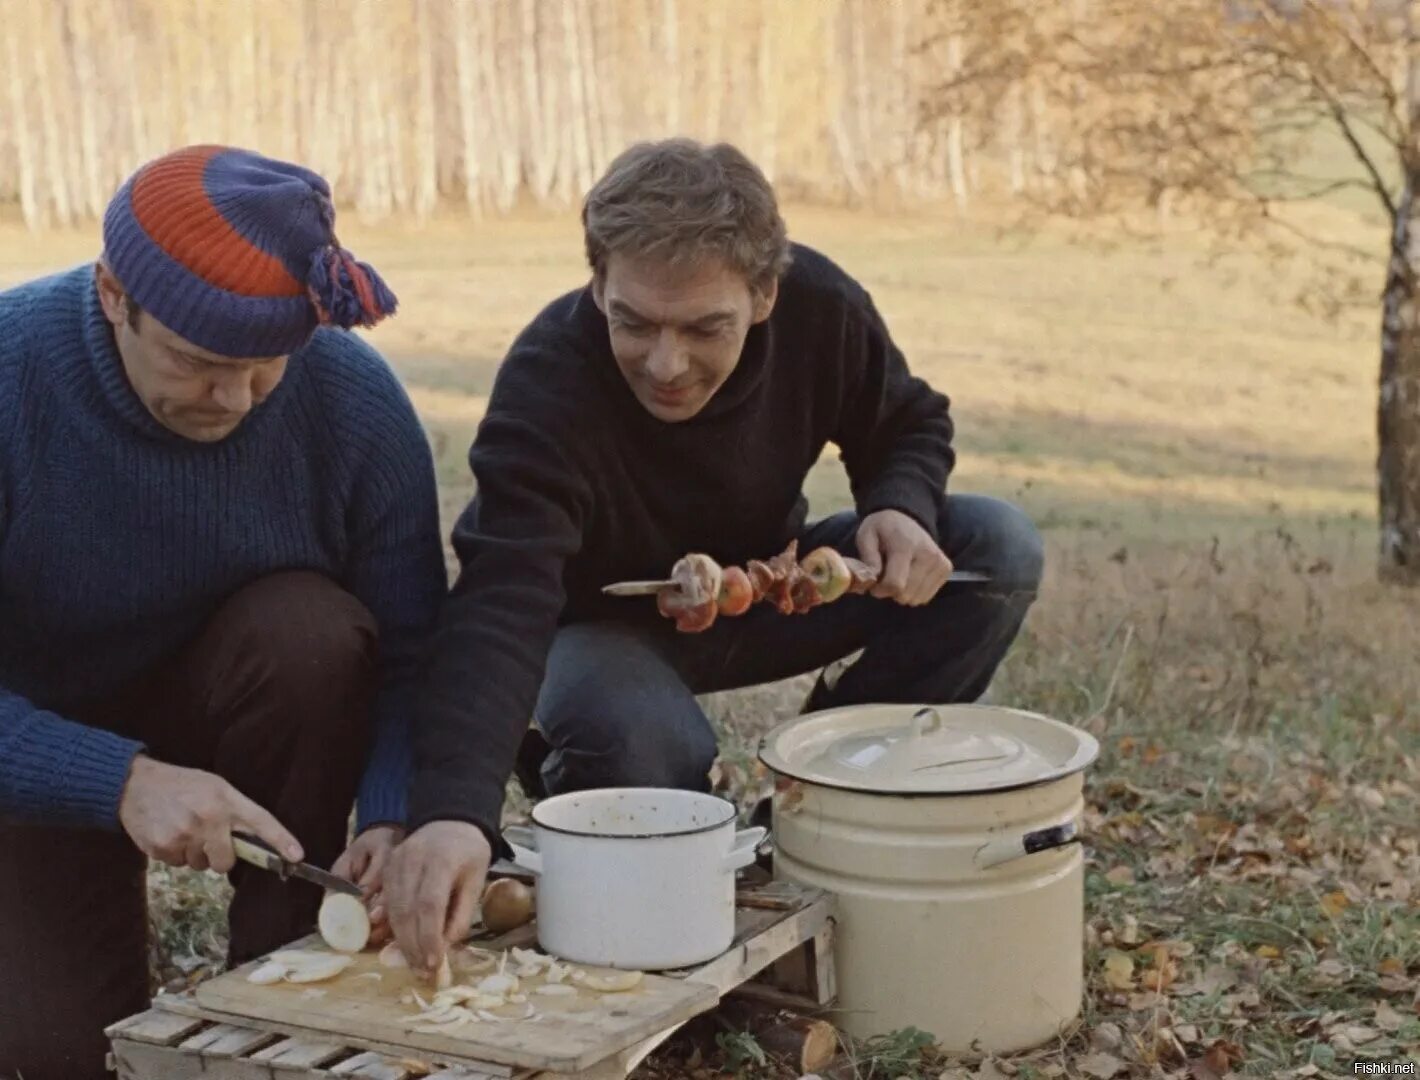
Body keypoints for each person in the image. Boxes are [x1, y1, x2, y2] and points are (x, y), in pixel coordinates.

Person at [384, 137, 1044, 976]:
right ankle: (662, 847)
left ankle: (822, 808)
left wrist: (898, 508)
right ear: (598, 284)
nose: (666, 365)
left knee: (997, 548)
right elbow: (501, 601)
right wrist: (453, 813)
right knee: (637, 746)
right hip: (603, 638)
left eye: (706, 328)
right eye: (632, 322)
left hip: (770, 592)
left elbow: (906, 421)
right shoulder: (548, 384)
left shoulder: (822, 311)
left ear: (766, 293)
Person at [0, 145, 447, 1080]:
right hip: (34, 749)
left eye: (267, 367)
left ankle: (282, 968)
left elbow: (414, 650)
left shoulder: (353, 401)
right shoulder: (12, 378)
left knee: (313, 633)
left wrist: (397, 810)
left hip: (244, 701)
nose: (238, 400)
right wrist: (116, 779)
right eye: (202, 363)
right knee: (51, 1051)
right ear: (114, 294)